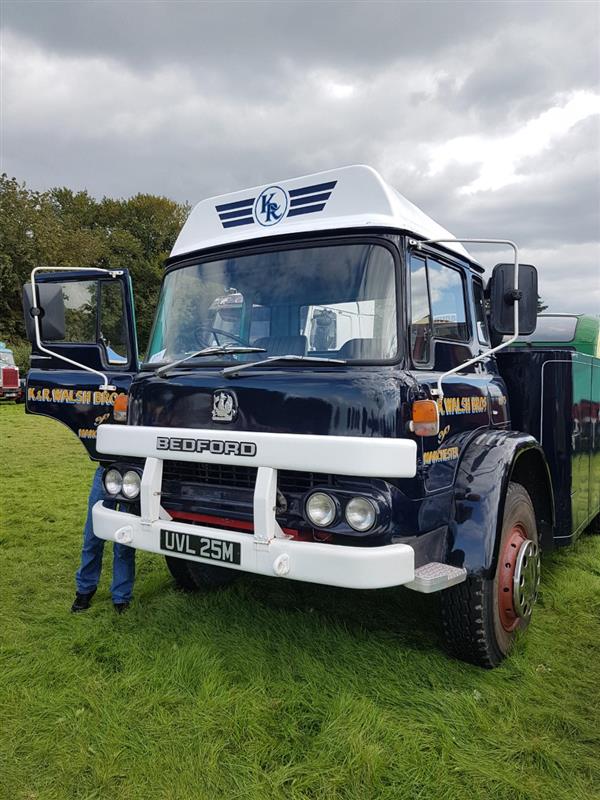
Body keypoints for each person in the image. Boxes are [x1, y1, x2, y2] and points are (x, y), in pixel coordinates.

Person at [71, 466, 135, 613]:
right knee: (92, 537)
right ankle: (85, 590)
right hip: (106, 470)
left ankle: (121, 596)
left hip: (133, 474)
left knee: (125, 540)